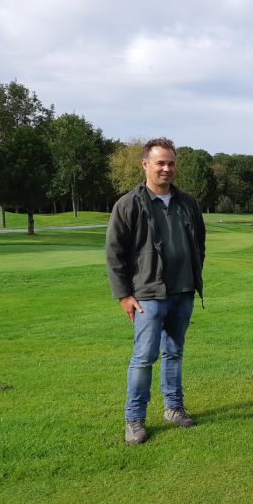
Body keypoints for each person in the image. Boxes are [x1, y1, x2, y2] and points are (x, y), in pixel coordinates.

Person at [106, 138, 206, 445]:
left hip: (183, 291)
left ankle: (174, 409)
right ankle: (134, 419)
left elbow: (199, 243)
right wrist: (124, 295)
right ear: (145, 164)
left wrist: (193, 276)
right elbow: (114, 252)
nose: (166, 168)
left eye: (171, 163)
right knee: (144, 357)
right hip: (148, 296)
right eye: (160, 162)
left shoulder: (187, 202)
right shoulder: (129, 204)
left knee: (174, 353)